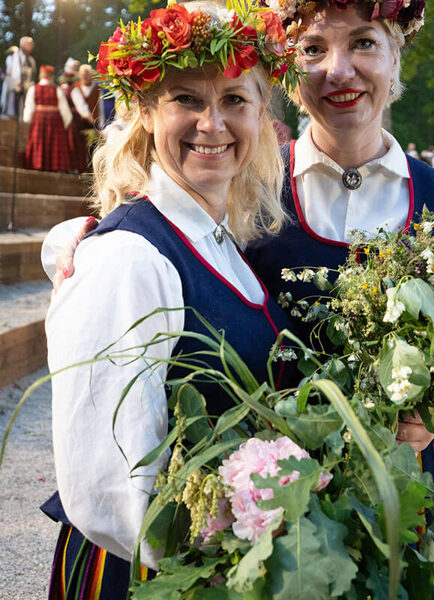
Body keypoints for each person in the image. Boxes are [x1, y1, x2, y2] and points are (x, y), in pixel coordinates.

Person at [244, 2, 434, 597]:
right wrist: (76, 237)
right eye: (314, 48)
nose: (338, 70)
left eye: (364, 43)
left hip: (420, 490)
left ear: (397, 57)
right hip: (284, 492)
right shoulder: (248, 191)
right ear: (289, 68)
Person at [40, 2, 298, 598]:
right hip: (152, 574)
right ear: (147, 113)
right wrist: (225, 557)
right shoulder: (126, 258)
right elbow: (106, 484)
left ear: (261, 115)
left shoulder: (220, 241)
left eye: (234, 99)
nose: (213, 124)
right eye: (186, 99)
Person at [22, 65, 73, 172]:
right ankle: (54, 167)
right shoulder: (57, 90)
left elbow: (29, 108)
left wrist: (28, 121)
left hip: (38, 121)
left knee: (38, 142)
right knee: (55, 144)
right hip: (55, 122)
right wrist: (64, 125)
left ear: (41, 75)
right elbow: (65, 111)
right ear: (52, 76)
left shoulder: (33, 89)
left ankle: (37, 164)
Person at [3, 36, 36, 119]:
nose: (30, 47)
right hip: (17, 87)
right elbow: (14, 70)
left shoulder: (31, 59)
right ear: (23, 45)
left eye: (31, 45)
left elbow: (32, 73)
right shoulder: (16, 56)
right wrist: (16, 82)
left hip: (27, 87)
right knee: (15, 109)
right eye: (28, 44)